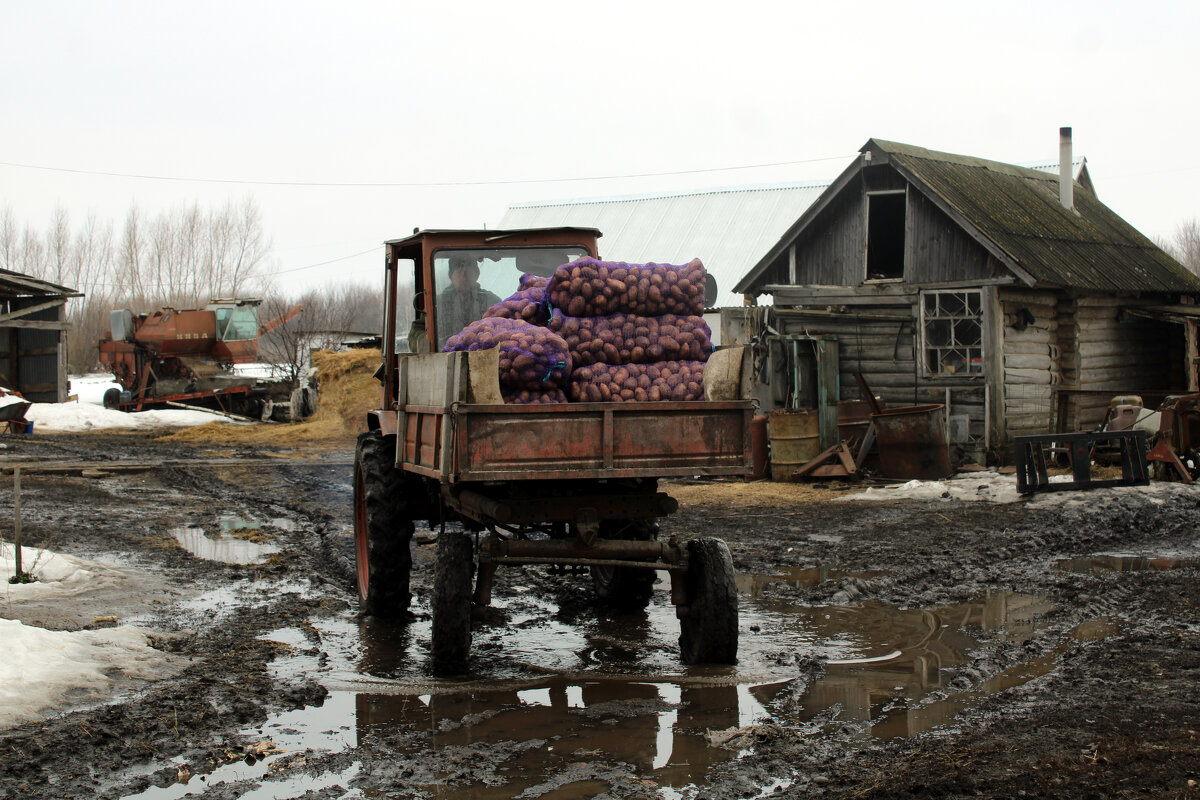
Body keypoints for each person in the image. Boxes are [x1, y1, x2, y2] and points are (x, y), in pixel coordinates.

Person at [436, 256, 501, 343]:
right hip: (444, 355)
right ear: (451, 277)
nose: (463, 278)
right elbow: (418, 330)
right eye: (459, 273)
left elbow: (506, 328)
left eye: (467, 273)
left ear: (477, 275)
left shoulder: (492, 302)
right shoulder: (436, 303)